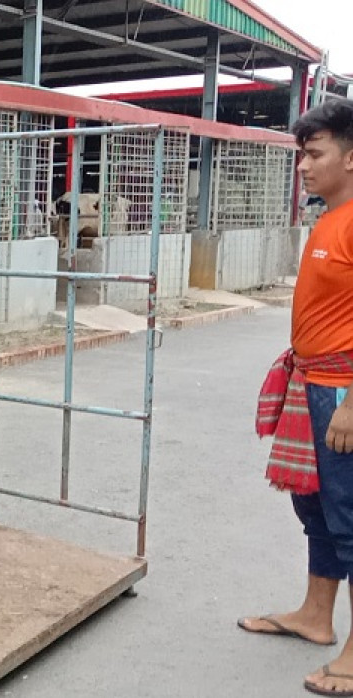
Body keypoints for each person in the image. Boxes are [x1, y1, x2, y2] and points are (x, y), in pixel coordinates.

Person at [241, 97, 353, 697]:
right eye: (301, 156)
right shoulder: (328, 218)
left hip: (343, 389)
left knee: (351, 515)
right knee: (316, 509)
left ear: (352, 157)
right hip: (312, 383)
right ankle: (316, 616)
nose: (303, 167)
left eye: (315, 154)